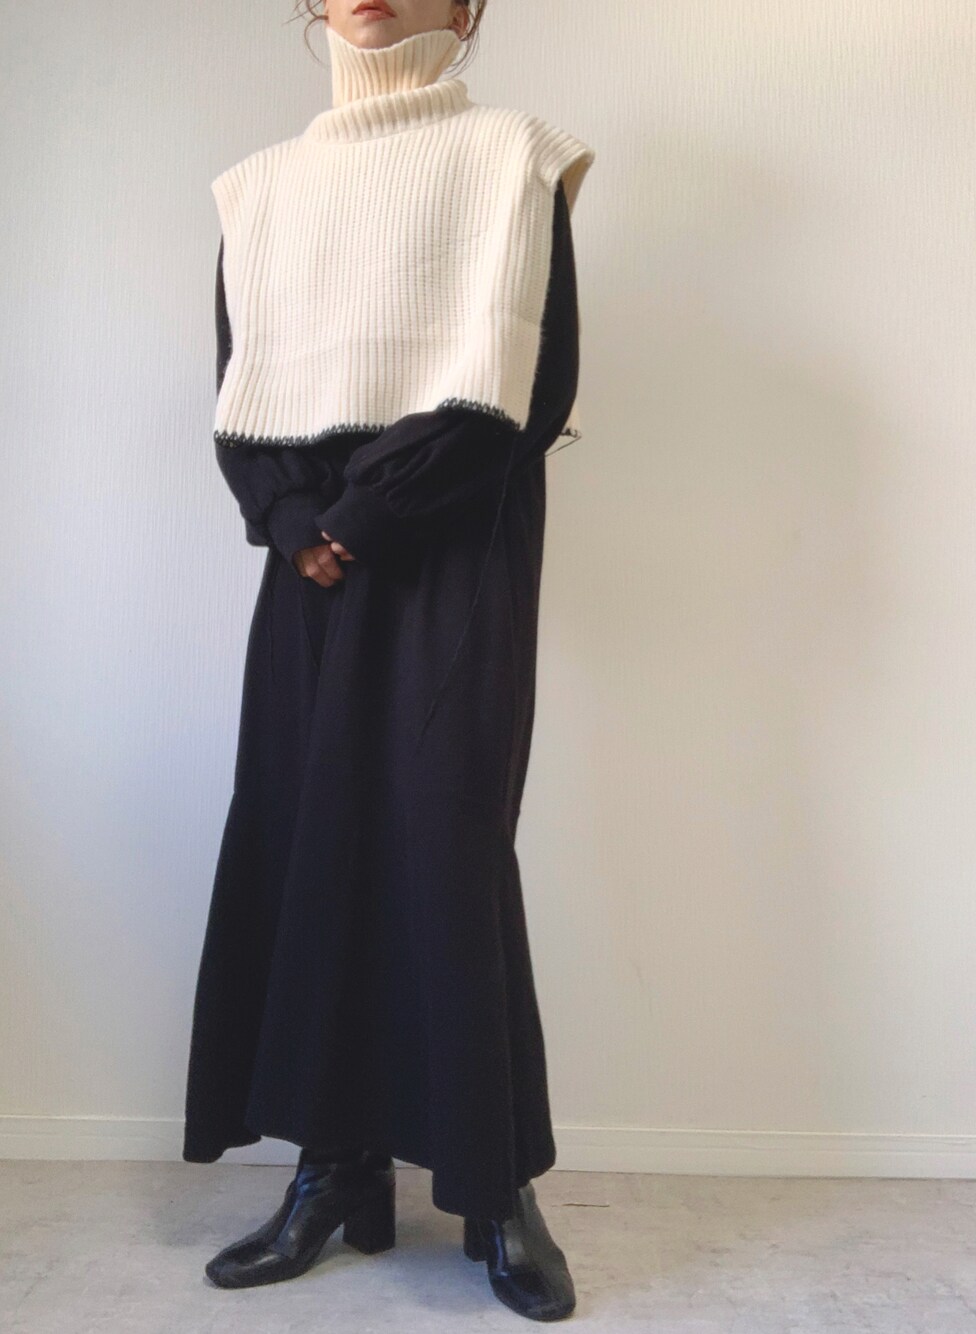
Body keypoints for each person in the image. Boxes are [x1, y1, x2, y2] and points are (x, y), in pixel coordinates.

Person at [182, 0, 594, 1322]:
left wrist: (365, 514)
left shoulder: (515, 156)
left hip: (453, 539)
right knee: (310, 837)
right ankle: (333, 1166)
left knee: (446, 842)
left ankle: (493, 1183)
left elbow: (536, 385)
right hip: (308, 554)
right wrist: (293, 518)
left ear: (468, 7)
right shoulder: (258, 189)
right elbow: (246, 382)